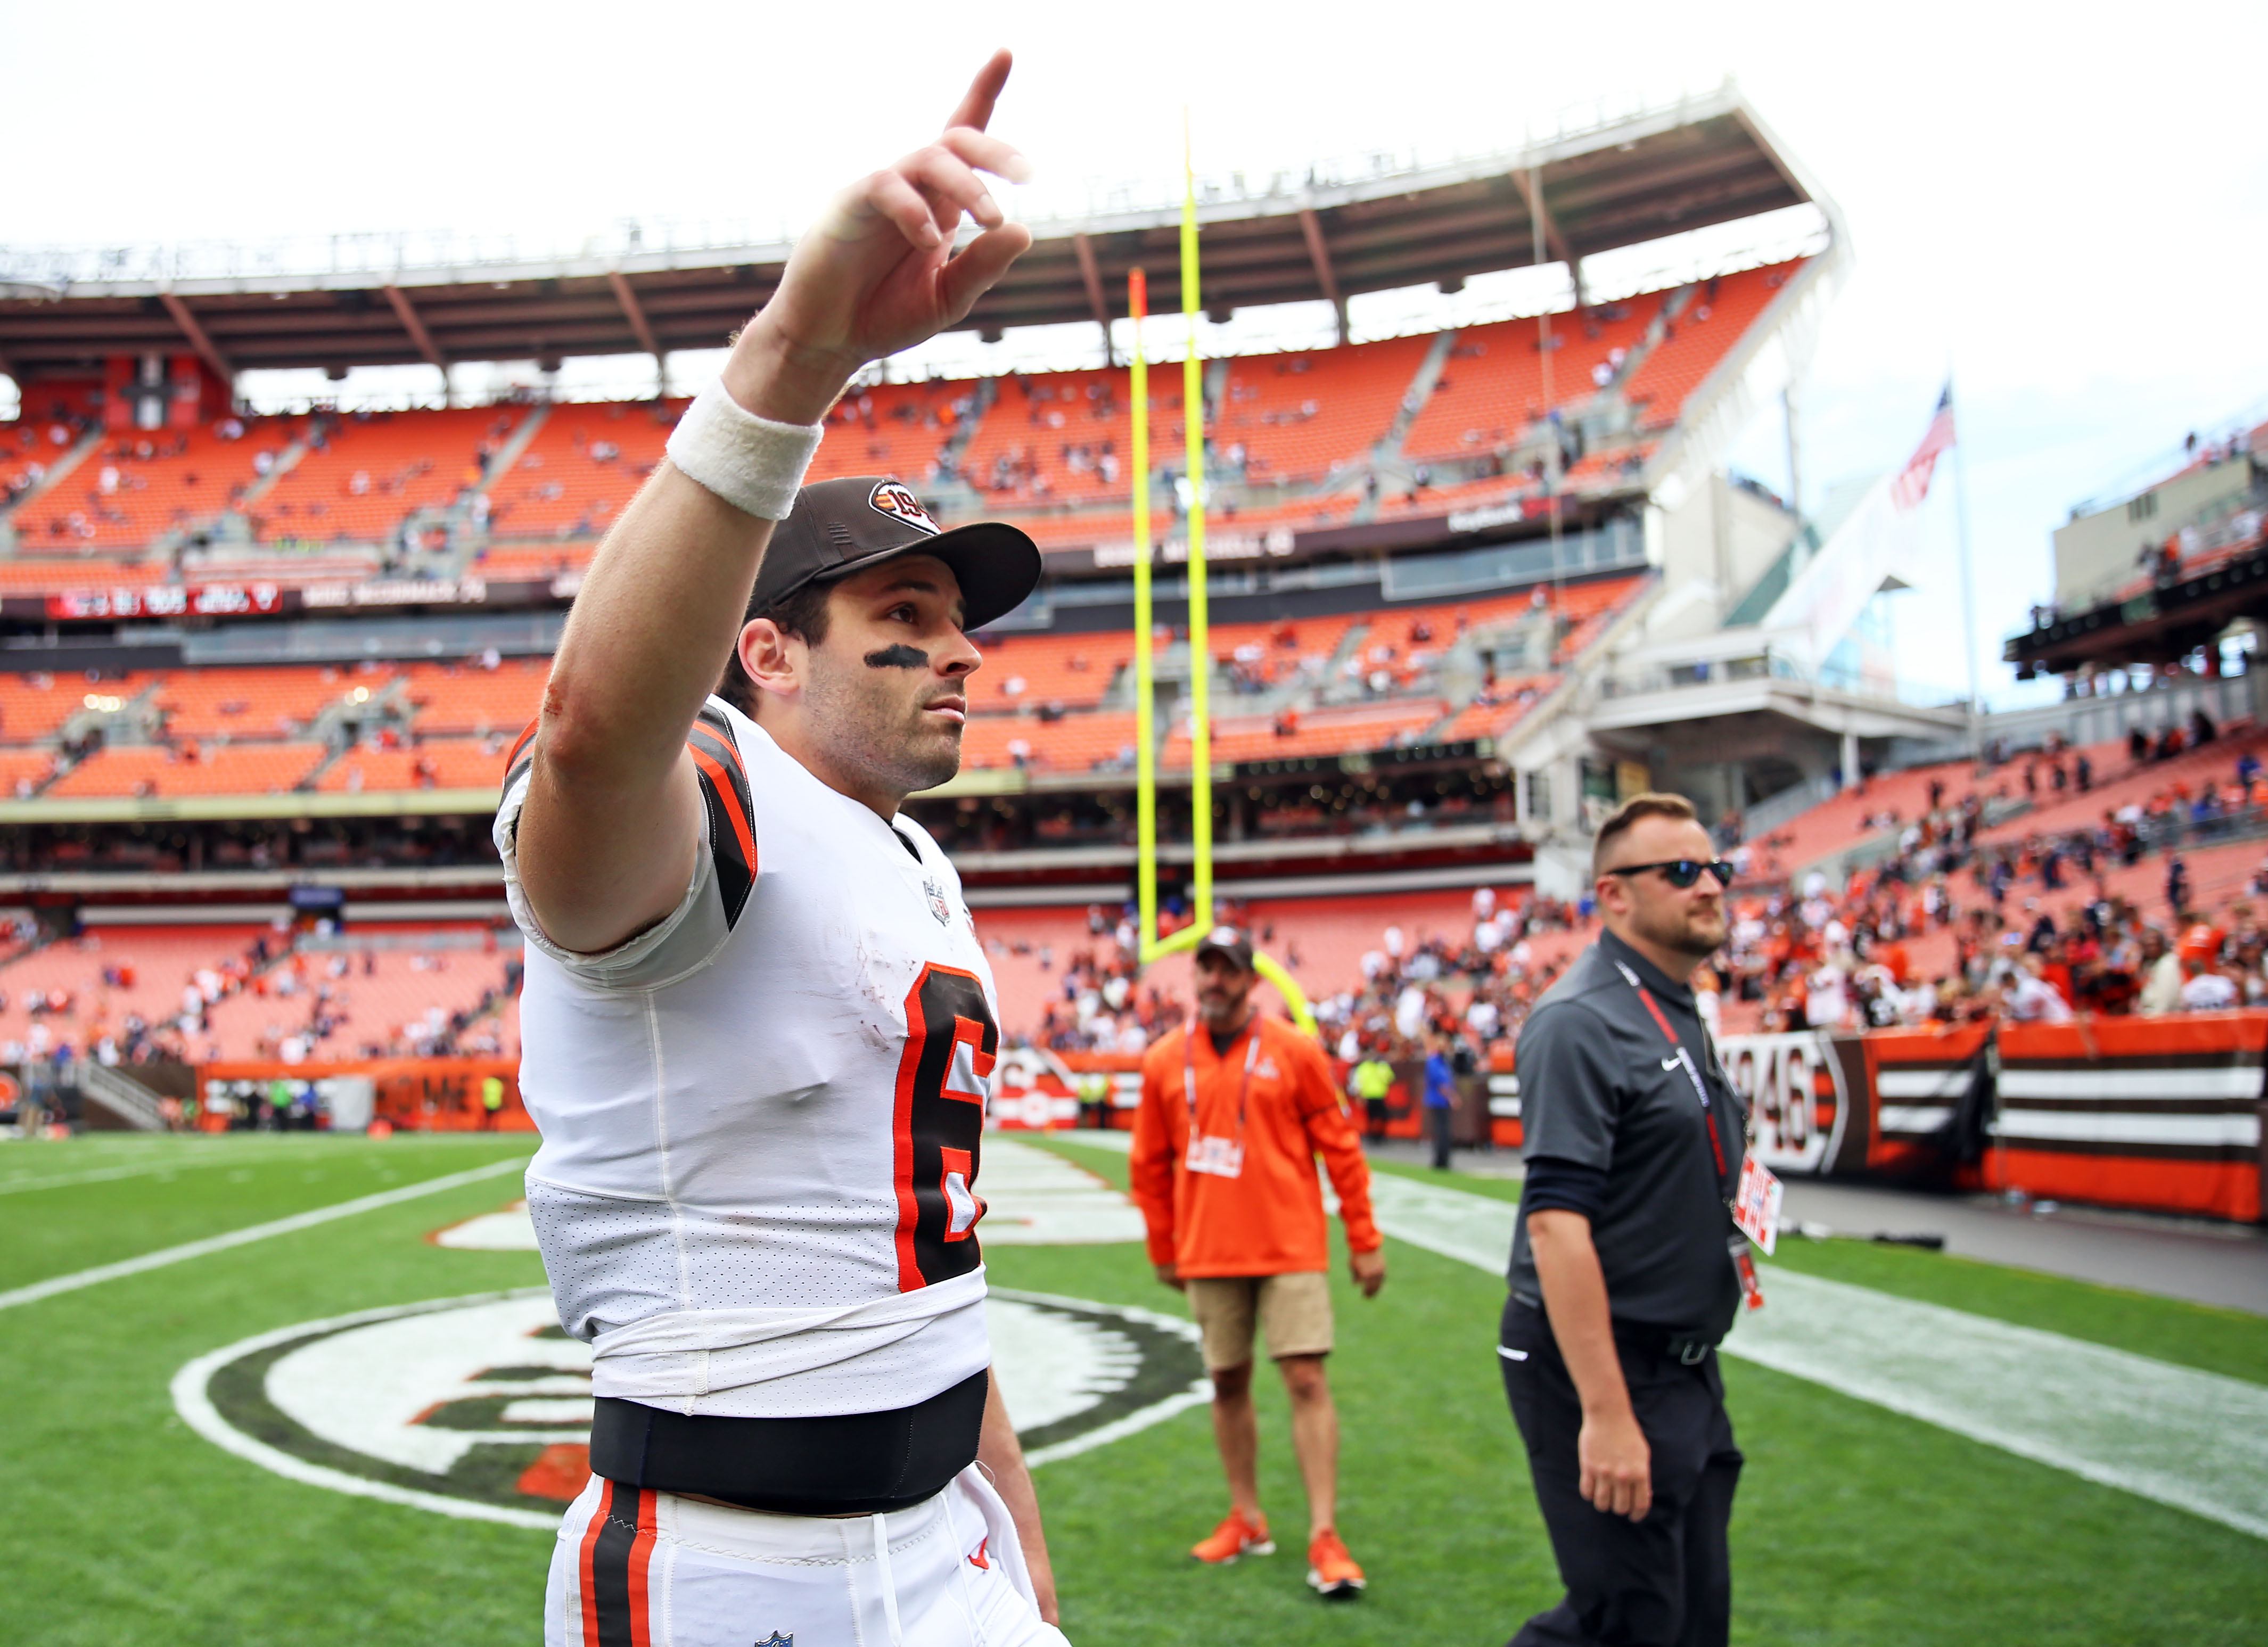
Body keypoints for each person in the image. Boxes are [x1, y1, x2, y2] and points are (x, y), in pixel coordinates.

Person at [500, 54, 1069, 1646]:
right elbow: (594, 728)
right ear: (763, 651)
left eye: (961, 626)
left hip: (941, 1533)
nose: (959, 654)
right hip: (736, 1559)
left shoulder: (905, 856)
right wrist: (795, 354)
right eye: (905, 617)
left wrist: (1007, 1527)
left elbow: (922, 1256)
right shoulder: (715, 788)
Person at [1499, 793, 1751, 1647]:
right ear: (1613, 895)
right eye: (1681, 872)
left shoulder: (1672, 998)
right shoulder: (1581, 1019)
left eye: (1717, 867)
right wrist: (1606, 1413)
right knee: (1625, 1622)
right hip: (1605, 1365)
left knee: (1691, 1614)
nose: (1710, 885)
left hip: (1683, 1364)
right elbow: (1555, 1224)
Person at [1129, 927, 1385, 1601]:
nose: (1215, 981)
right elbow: (1148, 1166)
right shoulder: (1162, 1060)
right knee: (1227, 1381)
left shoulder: (1294, 1051)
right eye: (1206, 969)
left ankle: (1325, 1534)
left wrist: (1364, 1238)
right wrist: (1164, 1246)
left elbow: (1341, 1148)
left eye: (1228, 971)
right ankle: (1247, 1517)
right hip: (1209, 1246)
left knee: (1305, 1377)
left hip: (1290, 1242)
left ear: (1251, 980)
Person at [1421, 1032, 1458, 1169]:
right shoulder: (1434, 1061)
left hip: (1443, 1101)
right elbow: (1440, 1083)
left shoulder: (1444, 1062)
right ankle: (1440, 1160)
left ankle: (1444, 1160)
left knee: (1444, 1132)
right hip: (1438, 1101)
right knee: (1441, 1132)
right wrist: (1452, 1097)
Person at [1350, 1049, 1395, 1141]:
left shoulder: (1380, 1066)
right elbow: (1358, 1083)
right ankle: (1373, 1136)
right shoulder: (1366, 1067)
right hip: (1370, 1096)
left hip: (1379, 1096)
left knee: (1381, 1117)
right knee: (1372, 1117)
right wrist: (1360, 1096)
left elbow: (1390, 1079)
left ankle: (1378, 1136)